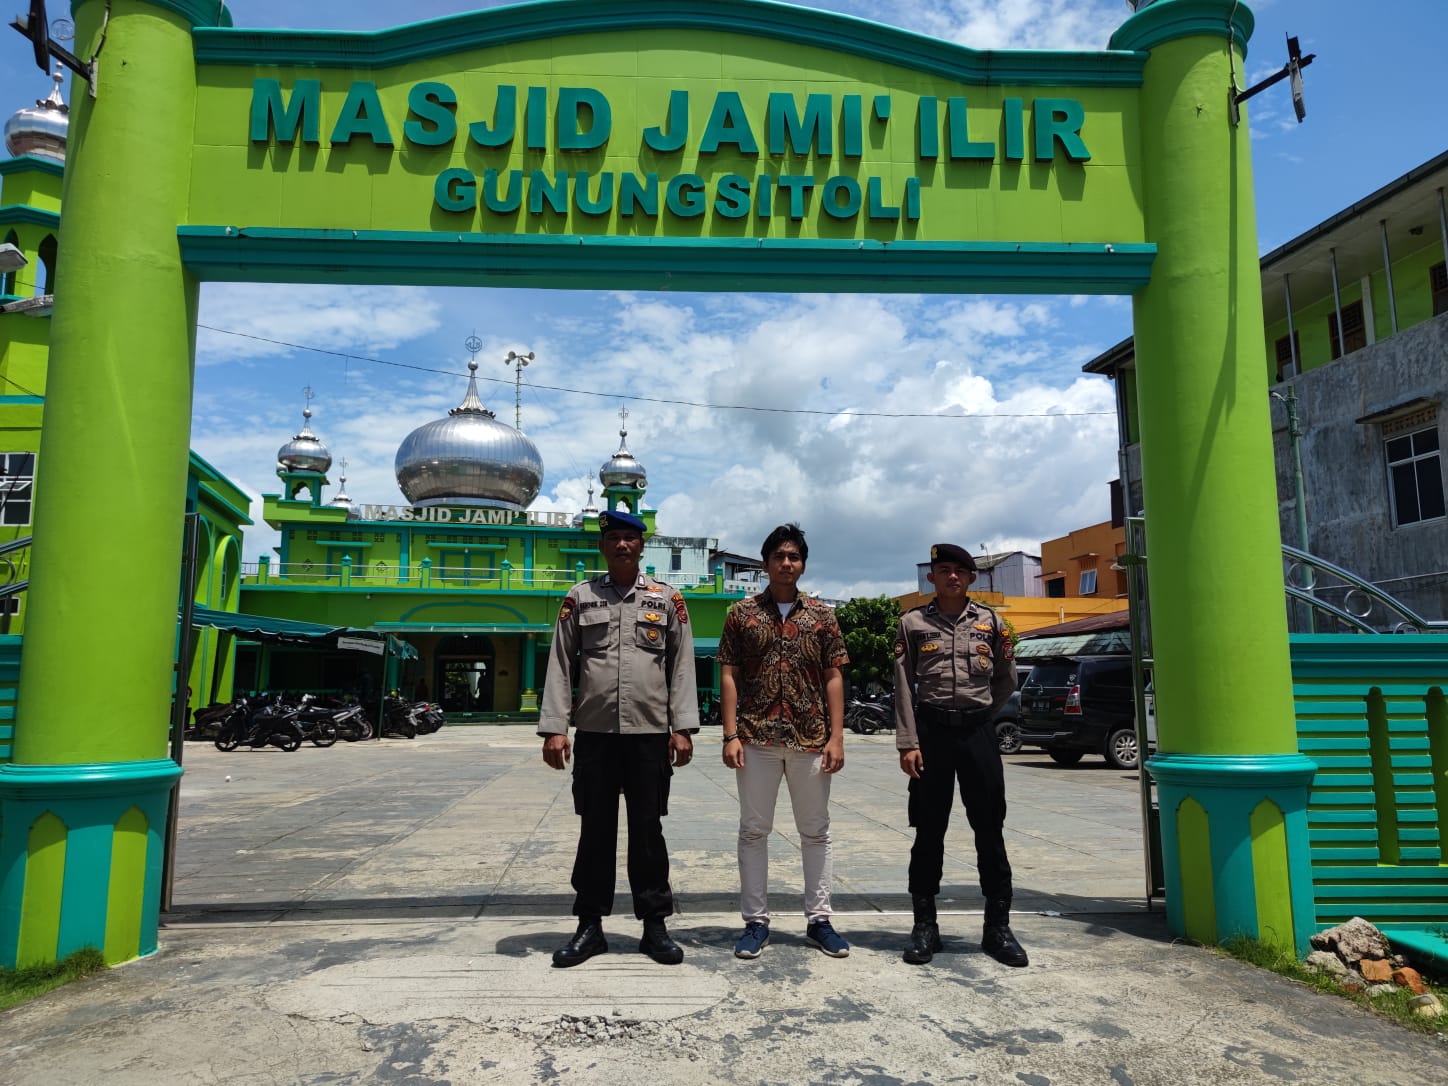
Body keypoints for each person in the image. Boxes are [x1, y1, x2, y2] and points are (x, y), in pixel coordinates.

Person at [539, 509, 699, 967]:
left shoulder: (667, 599)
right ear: (603, 546)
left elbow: (681, 664)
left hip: (650, 736)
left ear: (641, 546)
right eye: (615, 539)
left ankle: (654, 926)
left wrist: (682, 727)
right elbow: (561, 663)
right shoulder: (580, 598)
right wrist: (555, 728)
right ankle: (590, 926)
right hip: (595, 735)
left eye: (631, 538)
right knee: (595, 830)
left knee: (649, 831)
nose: (623, 546)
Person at [893, 542, 1028, 968]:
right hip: (931, 735)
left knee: (989, 827)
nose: (952, 576)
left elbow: (1007, 677)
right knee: (928, 830)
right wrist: (908, 742)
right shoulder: (912, 623)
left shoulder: (992, 622)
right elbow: (902, 685)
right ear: (931, 577)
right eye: (944, 569)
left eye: (961, 571)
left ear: (971, 579)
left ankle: (997, 927)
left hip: (977, 733)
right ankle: (924, 925)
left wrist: (982, 716)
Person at [719, 523, 850, 960]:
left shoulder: (822, 616)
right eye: (779, 556)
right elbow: (729, 674)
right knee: (754, 831)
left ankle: (819, 919)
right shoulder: (741, 614)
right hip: (755, 738)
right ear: (765, 563)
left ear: (803, 564)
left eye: (794, 557)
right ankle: (755, 922)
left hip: (810, 739)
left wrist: (836, 736)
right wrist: (730, 734)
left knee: (815, 831)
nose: (786, 563)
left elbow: (833, 675)